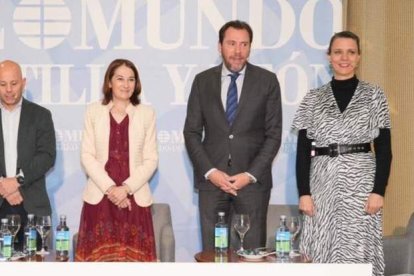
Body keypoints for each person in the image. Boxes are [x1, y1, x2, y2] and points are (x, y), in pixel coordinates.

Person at [292, 31, 392, 276]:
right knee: (322, 247)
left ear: (358, 57)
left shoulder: (374, 95)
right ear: (329, 56)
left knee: (357, 247)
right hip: (322, 184)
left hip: (361, 187)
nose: (344, 57)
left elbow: (385, 149)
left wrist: (378, 191)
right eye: (338, 52)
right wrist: (304, 192)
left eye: (351, 52)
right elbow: (303, 150)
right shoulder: (312, 98)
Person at [183, 20, 282, 251]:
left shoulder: (267, 81)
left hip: (252, 185)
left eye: (244, 44)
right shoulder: (202, 81)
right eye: (231, 44)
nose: (238, 51)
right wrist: (211, 172)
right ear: (220, 46)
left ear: (250, 47)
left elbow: (274, 135)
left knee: (252, 255)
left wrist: (249, 175)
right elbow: (191, 132)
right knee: (212, 254)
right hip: (212, 183)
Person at [75, 58, 158, 261]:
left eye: (131, 79)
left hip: (134, 198)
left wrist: (125, 189)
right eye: (120, 79)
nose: (126, 84)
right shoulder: (93, 111)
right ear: (109, 82)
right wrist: (111, 189)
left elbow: (151, 160)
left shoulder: (147, 113)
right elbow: (87, 155)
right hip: (100, 197)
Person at [0, 60, 56, 250]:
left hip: (30, 204)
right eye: (2, 84)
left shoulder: (41, 115)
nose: (8, 90)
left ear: (23, 83)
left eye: (14, 83)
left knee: (34, 265)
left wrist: (16, 181)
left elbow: (47, 156)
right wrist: (3, 185)